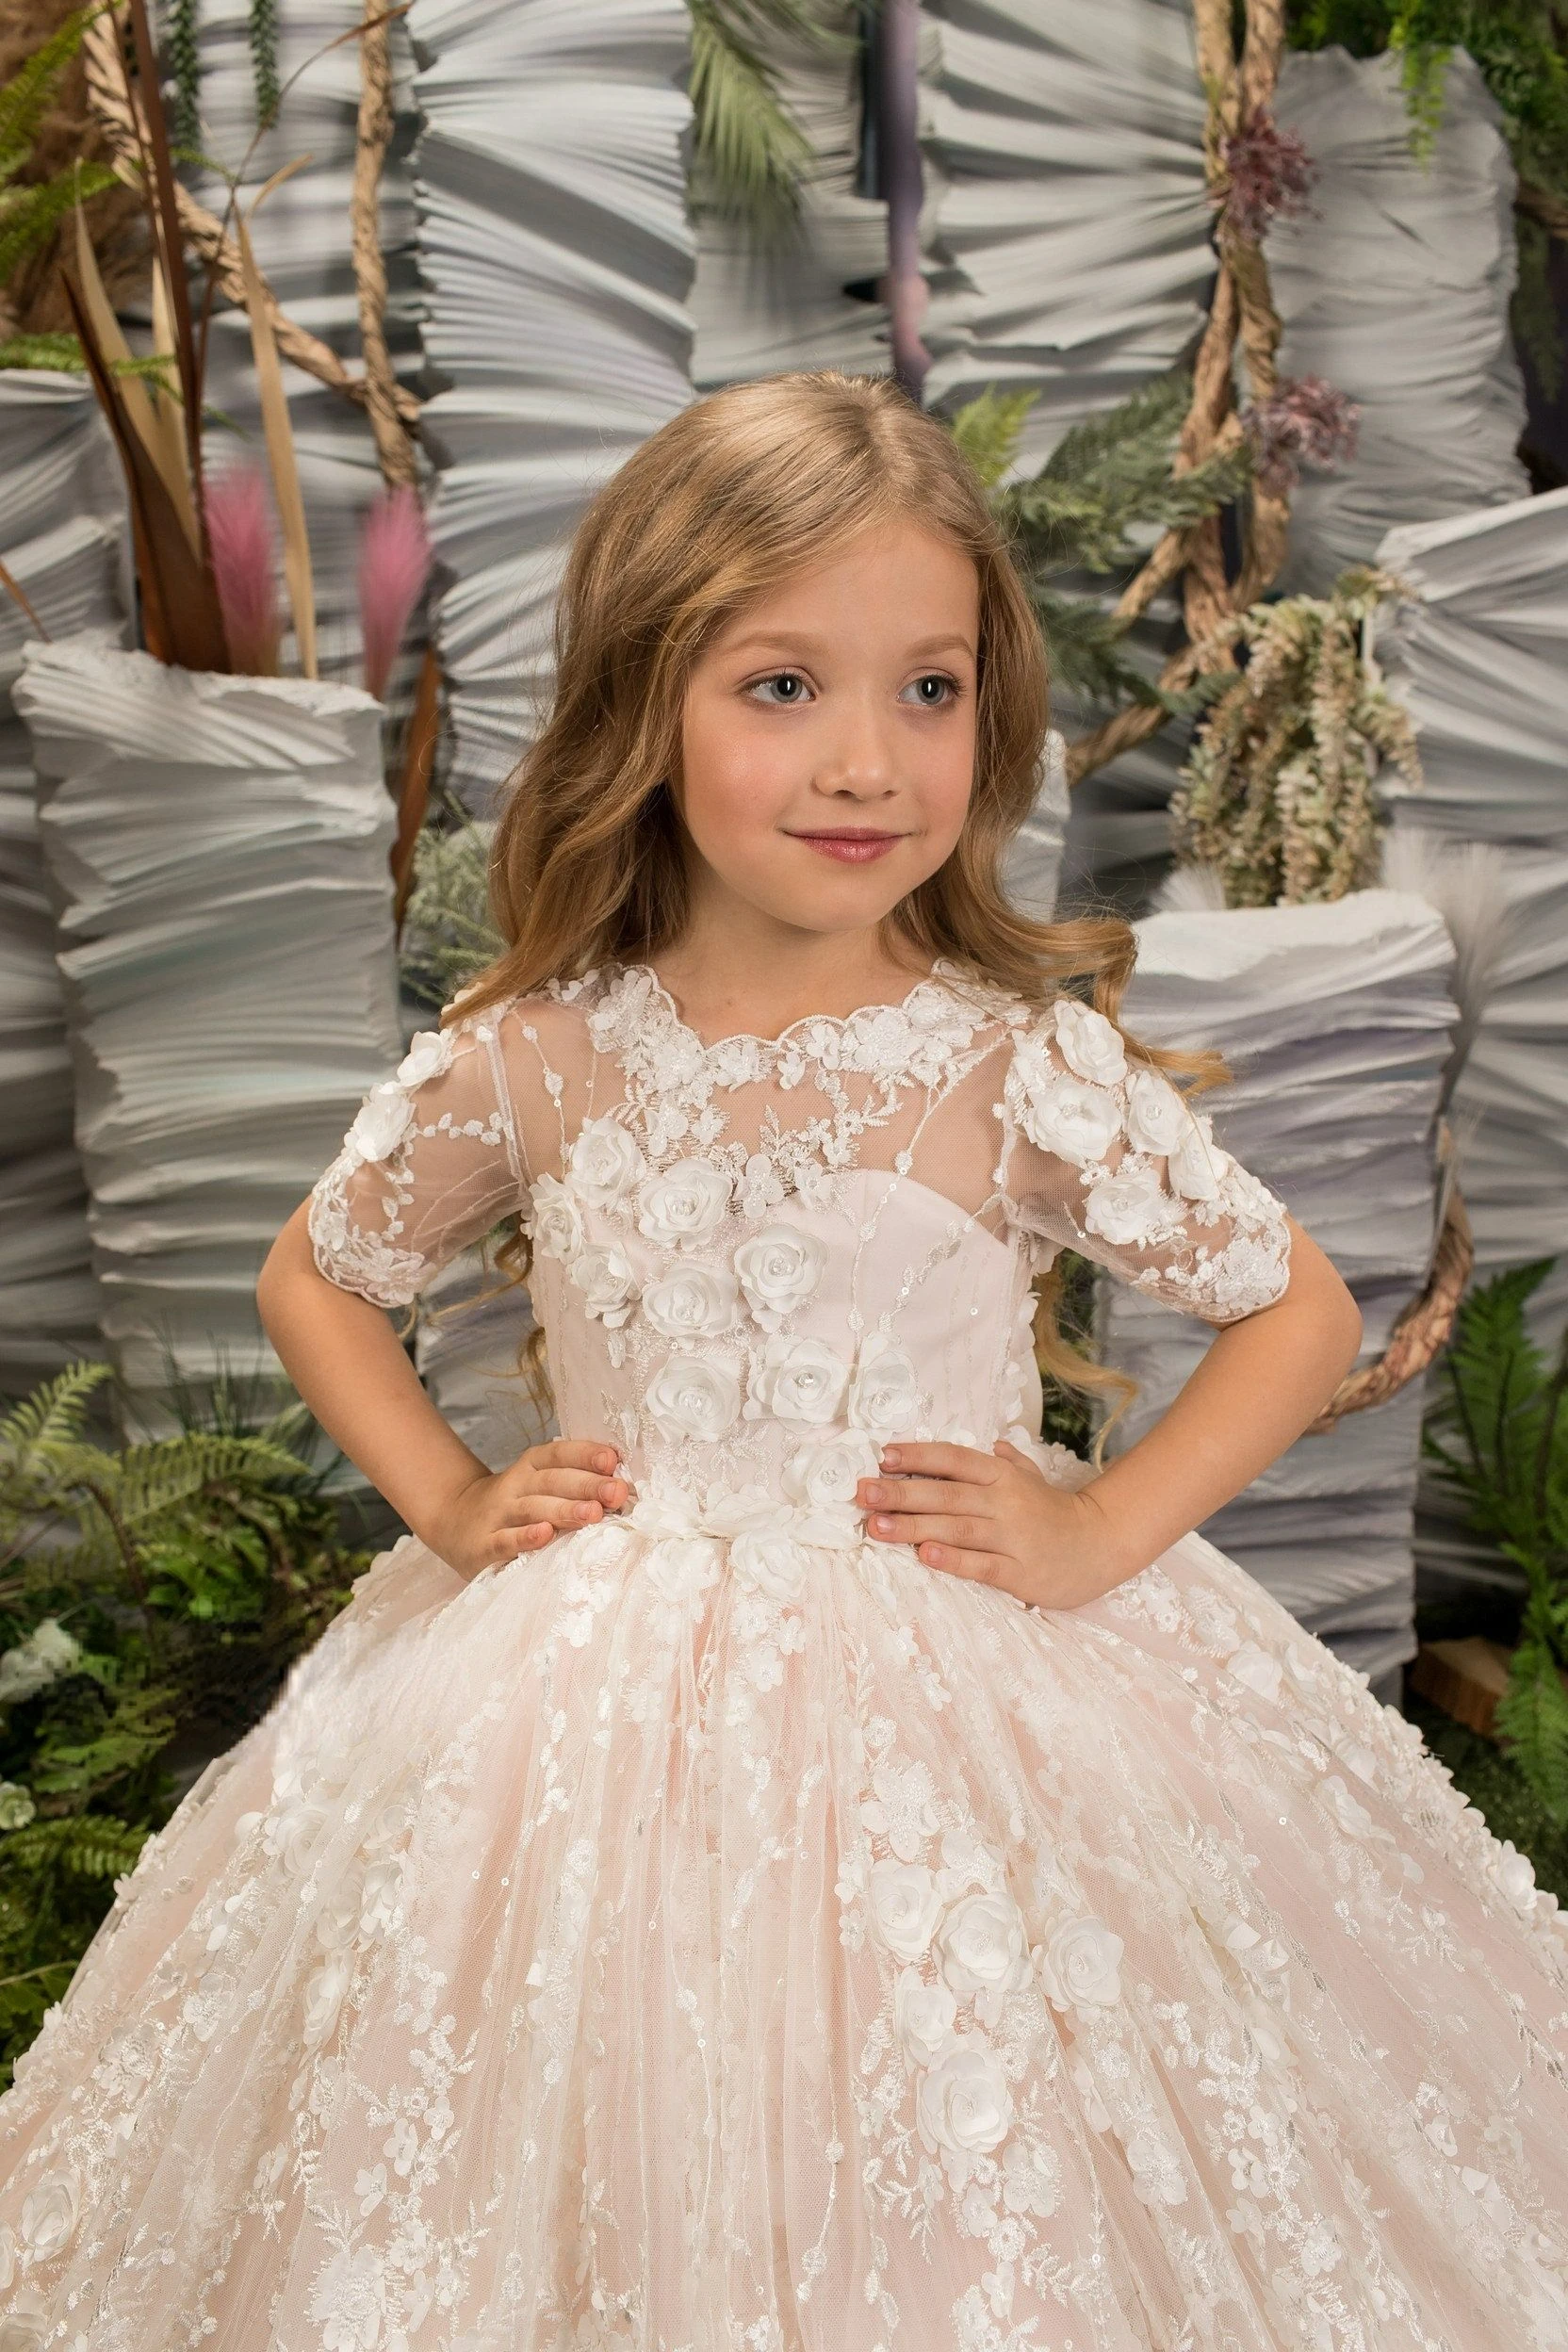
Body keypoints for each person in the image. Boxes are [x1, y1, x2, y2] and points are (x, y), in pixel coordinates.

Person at [2, 369, 1565, 2352]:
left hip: (963, 1677)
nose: (867, 765)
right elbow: (319, 1273)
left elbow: (1297, 1310)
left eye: (927, 690)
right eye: (779, 689)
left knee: (973, 2112)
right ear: (644, 705)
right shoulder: (544, 1048)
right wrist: (459, 1498)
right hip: (570, 1709)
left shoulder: (1003, 1055)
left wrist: (1097, 1537)